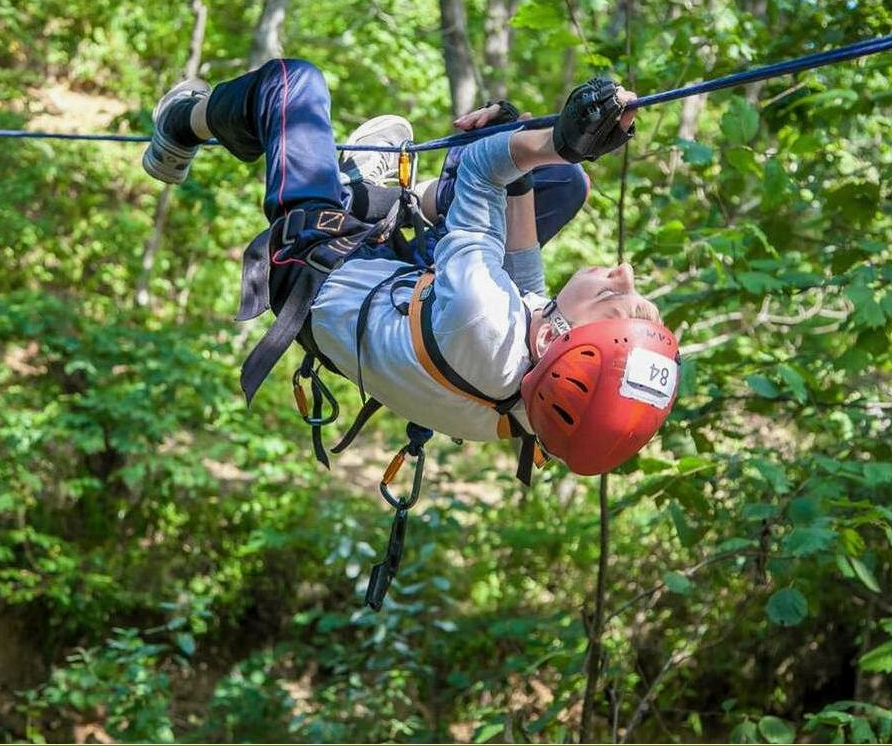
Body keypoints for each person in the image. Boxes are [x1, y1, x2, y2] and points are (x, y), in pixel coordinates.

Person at [141, 58, 679, 478]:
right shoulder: (531, 385)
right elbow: (525, 274)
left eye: (615, 300)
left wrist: (556, 141)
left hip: (318, 264)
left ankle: (180, 127)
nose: (624, 272)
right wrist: (534, 152)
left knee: (291, 84)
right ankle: (399, 202)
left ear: (557, 341)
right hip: (406, 291)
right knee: (562, 181)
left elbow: (482, 167)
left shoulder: (483, 320)